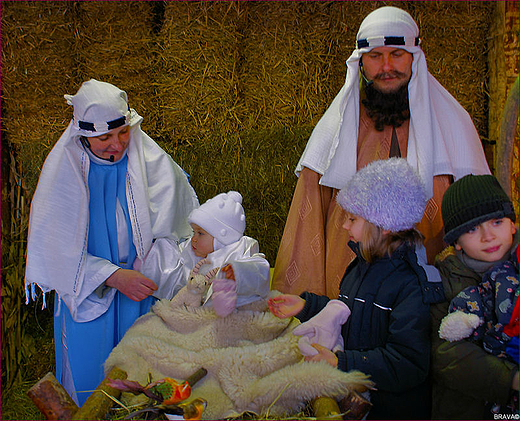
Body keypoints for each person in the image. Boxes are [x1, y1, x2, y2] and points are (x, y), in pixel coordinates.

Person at [272, 5, 490, 298]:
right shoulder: (337, 128)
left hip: (430, 290)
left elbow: (481, 211)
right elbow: (306, 223)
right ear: (361, 63)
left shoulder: (452, 122)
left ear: (414, 58)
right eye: (375, 56)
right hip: (348, 289)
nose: (387, 67)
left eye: (396, 54)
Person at [24, 79, 199, 405]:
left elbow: (179, 226)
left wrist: (152, 266)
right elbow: (58, 250)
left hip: (139, 292)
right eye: (104, 137)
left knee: (142, 375)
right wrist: (114, 277)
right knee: (94, 382)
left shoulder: (147, 158)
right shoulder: (64, 174)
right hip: (92, 294)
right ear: (84, 135)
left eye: (122, 133)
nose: (116, 145)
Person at [269, 158, 435, 420]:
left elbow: (408, 363)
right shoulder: (360, 267)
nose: (345, 226)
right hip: (357, 404)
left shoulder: (410, 285)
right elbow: (349, 314)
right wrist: (306, 305)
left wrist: (340, 362)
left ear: (385, 224)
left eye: (352, 218)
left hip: (390, 411)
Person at [430, 174, 519, 419]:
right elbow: (444, 355)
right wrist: (511, 378)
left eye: (497, 222)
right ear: (456, 241)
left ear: (512, 224)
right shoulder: (444, 280)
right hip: (467, 410)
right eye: (472, 229)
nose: (487, 236)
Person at [136, 190, 271, 316]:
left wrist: (236, 272)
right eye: (194, 232)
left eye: (200, 233)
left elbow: (260, 270)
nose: (194, 238)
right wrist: (151, 261)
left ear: (221, 238)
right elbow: (176, 276)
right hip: (199, 314)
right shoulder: (192, 251)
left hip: (235, 312)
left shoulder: (239, 249)